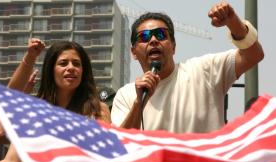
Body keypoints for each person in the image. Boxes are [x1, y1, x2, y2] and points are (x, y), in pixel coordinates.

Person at [111, 2, 264, 133]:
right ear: (133, 52)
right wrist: (139, 103)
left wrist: (233, 22)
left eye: (161, 34)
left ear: (174, 47)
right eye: (144, 37)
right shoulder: (125, 95)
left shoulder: (204, 71)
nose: (153, 40)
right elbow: (121, 145)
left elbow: (253, 55)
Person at [0, 39, 111, 162]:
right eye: (63, 63)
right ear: (51, 70)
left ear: (83, 71)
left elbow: (109, 157)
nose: (71, 68)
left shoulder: (98, 110)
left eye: (76, 64)